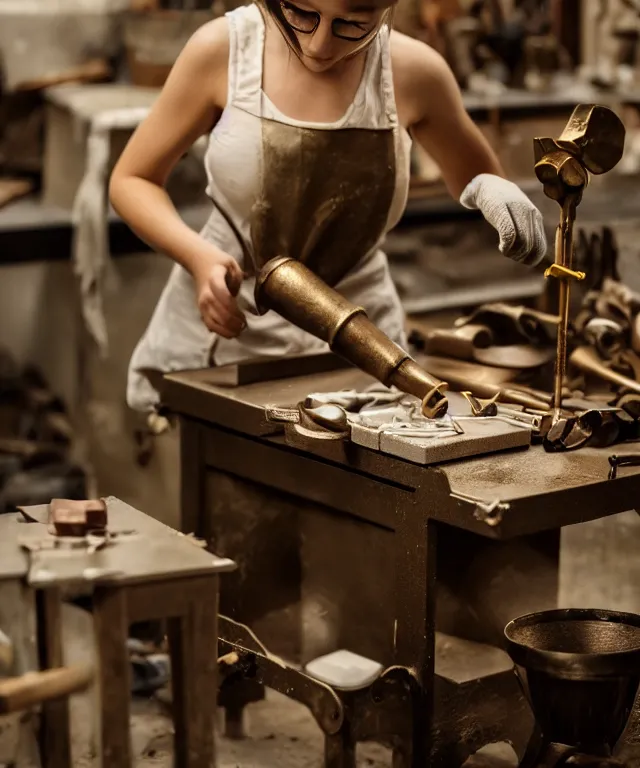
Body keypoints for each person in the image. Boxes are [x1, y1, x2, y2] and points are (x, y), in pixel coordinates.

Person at [110, 0, 547, 413]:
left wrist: (492, 189)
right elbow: (133, 179)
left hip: (361, 340)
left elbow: (473, 174)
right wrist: (197, 257)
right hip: (229, 327)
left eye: (352, 23)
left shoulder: (415, 73)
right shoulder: (224, 50)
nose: (319, 46)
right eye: (301, 13)